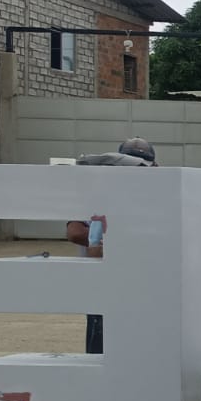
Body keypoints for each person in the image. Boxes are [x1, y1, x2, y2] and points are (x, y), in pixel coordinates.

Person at [66, 137, 157, 354]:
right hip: (102, 283)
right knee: (101, 346)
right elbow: (75, 232)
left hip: (138, 284)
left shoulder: (151, 197)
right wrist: (120, 242)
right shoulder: (96, 195)